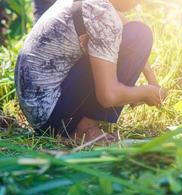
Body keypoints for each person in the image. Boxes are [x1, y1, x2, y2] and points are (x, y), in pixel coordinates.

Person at [15, 0, 167, 143]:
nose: (138, 4)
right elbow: (108, 96)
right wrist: (146, 92)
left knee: (134, 34)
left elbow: (125, 30)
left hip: (37, 108)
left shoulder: (97, 5)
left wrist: (152, 81)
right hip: (54, 120)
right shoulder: (103, 15)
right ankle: (85, 129)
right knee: (141, 34)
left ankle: (81, 124)